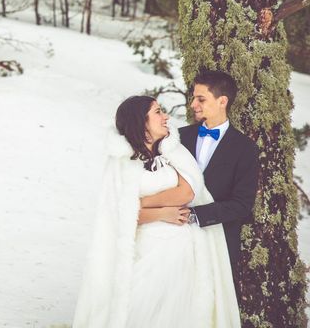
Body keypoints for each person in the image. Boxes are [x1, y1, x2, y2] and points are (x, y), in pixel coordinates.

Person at [72, 96, 239, 328]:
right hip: (145, 250)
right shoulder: (122, 162)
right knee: (138, 309)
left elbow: (188, 192)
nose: (166, 117)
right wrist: (162, 213)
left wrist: (139, 203)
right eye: (158, 112)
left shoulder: (174, 152)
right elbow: (116, 217)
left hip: (182, 252)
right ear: (141, 121)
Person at [178, 70, 259, 295]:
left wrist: (195, 216)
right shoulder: (178, 137)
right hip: (175, 240)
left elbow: (242, 204)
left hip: (217, 244)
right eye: (193, 97)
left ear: (222, 101)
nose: (193, 104)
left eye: (201, 99)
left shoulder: (245, 149)